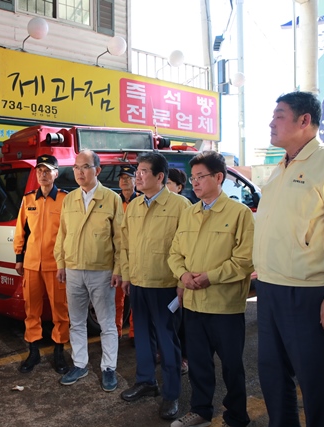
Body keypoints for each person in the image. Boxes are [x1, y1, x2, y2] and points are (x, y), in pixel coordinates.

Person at [253, 91, 324, 427]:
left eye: (280, 115)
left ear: (305, 120)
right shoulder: (280, 168)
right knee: (272, 377)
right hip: (270, 289)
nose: (271, 122)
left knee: (315, 384)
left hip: (309, 293)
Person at [168, 151, 253, 427]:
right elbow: (174, 253)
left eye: (200, 177)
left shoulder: (239, 214)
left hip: (224, 306)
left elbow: (244, 260)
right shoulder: (189, 212)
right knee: (199, 365)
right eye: (192, 178)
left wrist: (210, 277)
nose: (195, 183)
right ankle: (201, 410)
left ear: (219, 177)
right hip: (193, 305)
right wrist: (182, 275)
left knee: (232, 367)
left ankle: (237, 416)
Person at [119, 152, 191, 421]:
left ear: (160, 177)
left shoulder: (180, 206)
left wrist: (181, 283)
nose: (137, 175)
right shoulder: (134, 207)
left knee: (168, 341)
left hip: (165, 286)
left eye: (144, 171)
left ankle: (171, 394)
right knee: (143, 340)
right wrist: (125, 275)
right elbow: (125, 245)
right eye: (138, 171)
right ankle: (146, 381)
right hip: (138, 283)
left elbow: (186, 249)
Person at [54, 149, 123, 391]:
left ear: (97, 170)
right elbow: (62, 235)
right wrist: (61, 263)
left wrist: (118, 269)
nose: (79, 172)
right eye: (76, 167)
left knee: (106, 322)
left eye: (85, 167)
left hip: (101, 270)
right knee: (77, 321)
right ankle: (80, 364)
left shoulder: (112, 199)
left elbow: (120, 239)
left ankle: (108, 368)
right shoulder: (70, 199)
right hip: (73, 270)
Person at [13, 155, 69, 375]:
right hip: (32, 264)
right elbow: (20, 231)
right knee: (31, 310)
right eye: (40, 171)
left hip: (57, 266)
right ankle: (33, 350)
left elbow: (69, 234)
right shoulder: (28, 200)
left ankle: (59, 351)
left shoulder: (65, 199)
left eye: (47, 171)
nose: (43, 175)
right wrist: (19, 258)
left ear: (56, 174)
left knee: (60, 311)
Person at [166, 167, 190, 375]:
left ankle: (183, 357)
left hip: (179, 274)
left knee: (179, 320)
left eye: (168, 184)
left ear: (179, 187)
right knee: (167, 319)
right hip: (163, 273)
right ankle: (165, 353)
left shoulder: (184, 207)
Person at [115, 164, 138, 342]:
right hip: (117, 257)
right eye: (122, 178)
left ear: (135, 180)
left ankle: (134, 334)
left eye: (128, 178)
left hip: (136, 256)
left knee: (135, 299)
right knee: (116, 300)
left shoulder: (142, 201)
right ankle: (114, 333)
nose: (124, 181)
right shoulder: (114, 202)